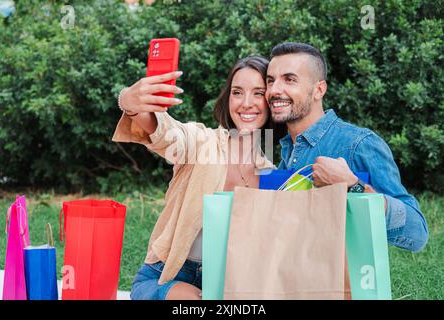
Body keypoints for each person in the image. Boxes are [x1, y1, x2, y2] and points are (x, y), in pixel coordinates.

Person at [112, 56, 280, 300]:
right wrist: (129, 102)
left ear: (270, 100)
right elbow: (167, 134)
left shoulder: (270, 174)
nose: (246, 103)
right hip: (167, 276)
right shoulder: (202, 142)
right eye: (237, 92)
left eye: (258, 93)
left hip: (225, 281)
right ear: (228, 98)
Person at [265, 42, 429, 252]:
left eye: (290, 79)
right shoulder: (288, 150)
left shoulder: (358, 144)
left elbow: (417, 234)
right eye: (271, 81)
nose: (274, 90)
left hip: (344, 283)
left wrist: (354, 186)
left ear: (318, 90)